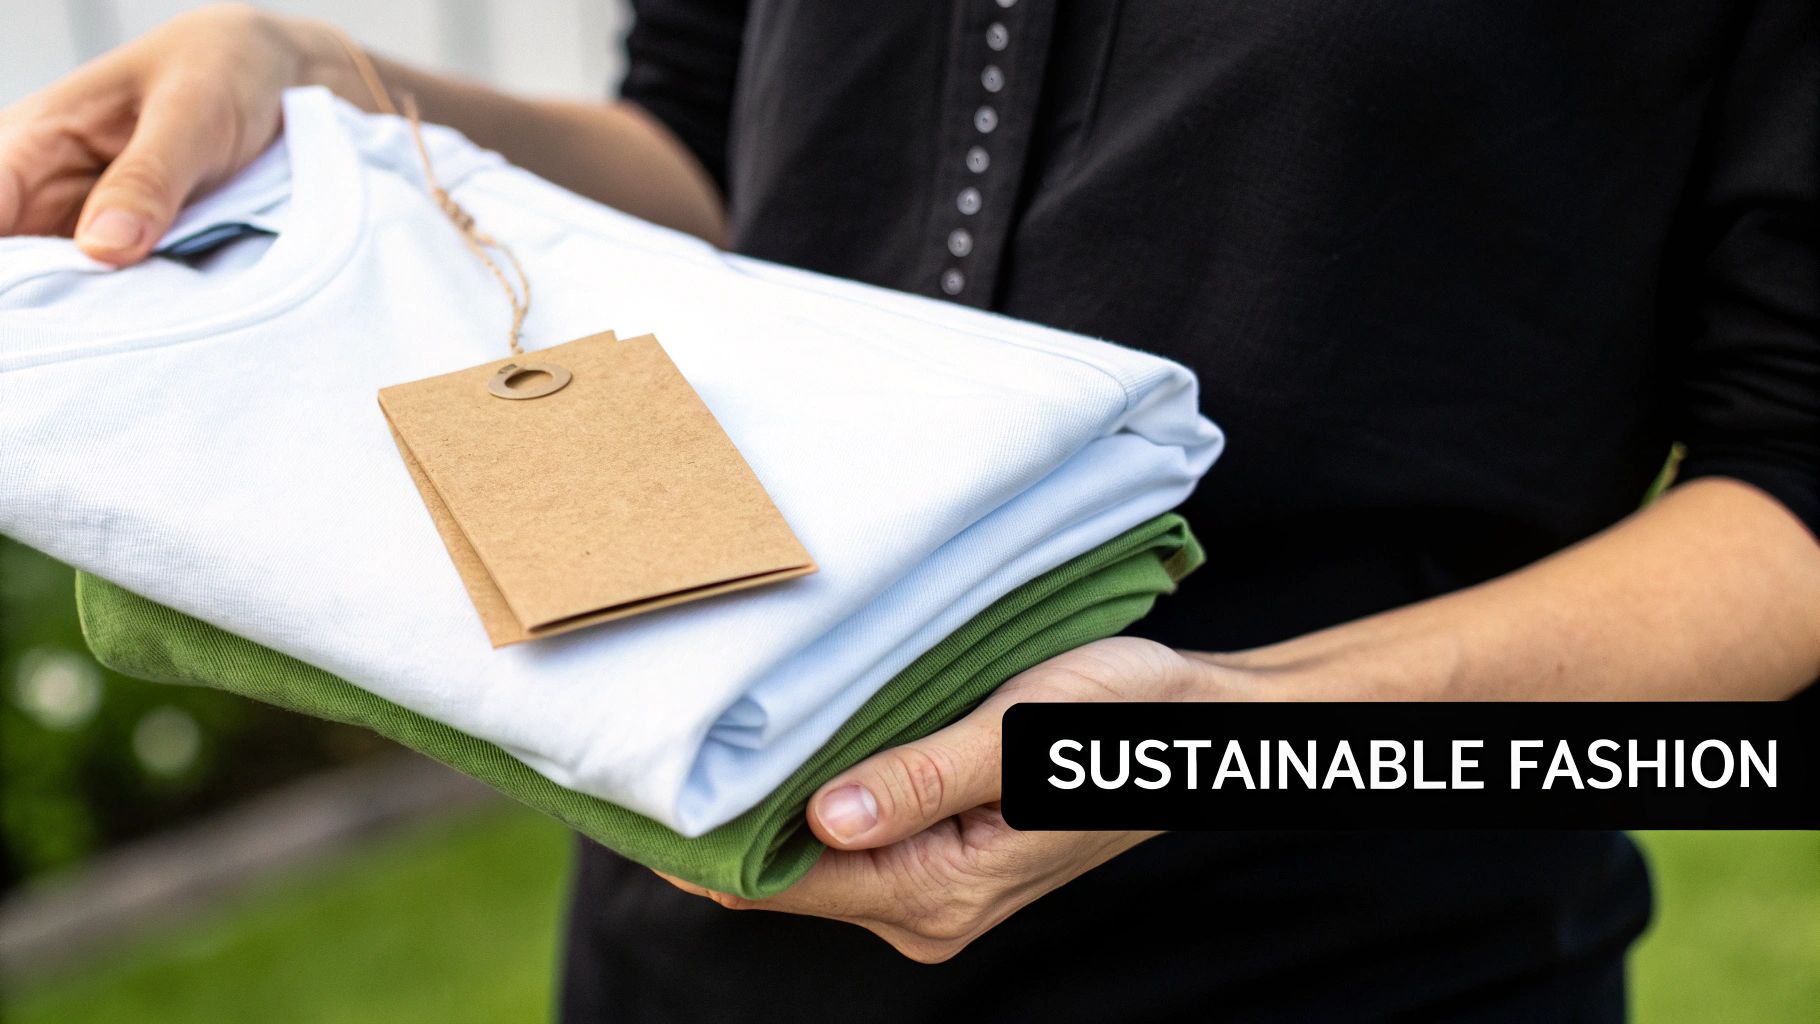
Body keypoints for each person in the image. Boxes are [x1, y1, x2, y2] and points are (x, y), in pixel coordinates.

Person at [4, 3, 1815, 1020]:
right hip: (684, 926)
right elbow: (719, 177)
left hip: (1346, 970)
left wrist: (1229, 741)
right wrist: (342, 93)